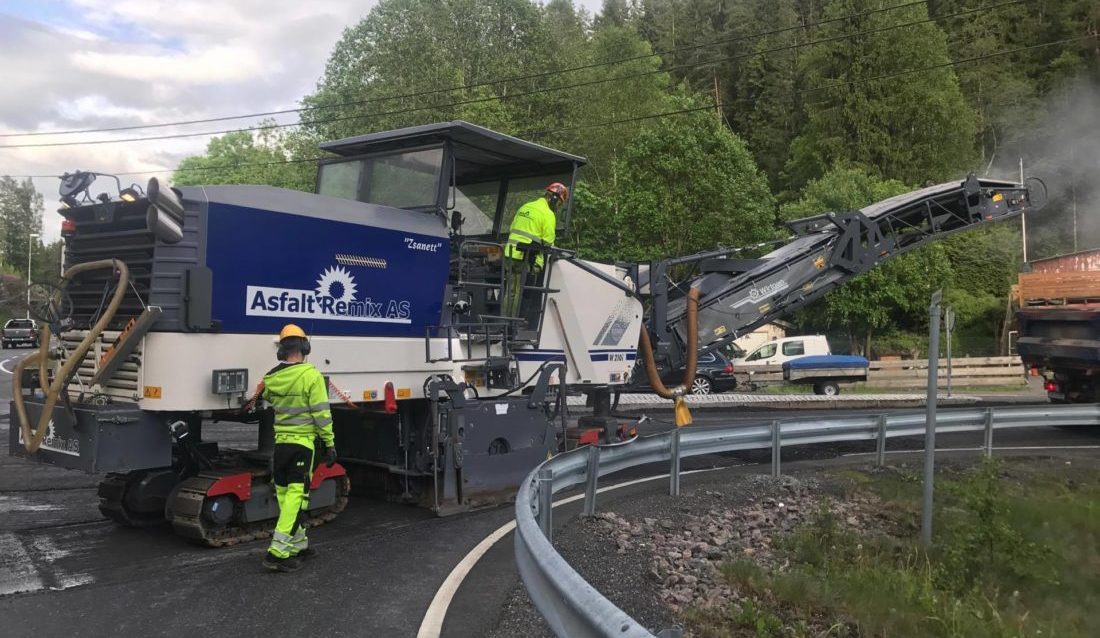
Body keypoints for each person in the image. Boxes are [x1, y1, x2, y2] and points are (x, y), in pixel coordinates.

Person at [261, 323, 337, 573]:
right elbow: (322, 414)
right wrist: (329, 443)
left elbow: (268, 398)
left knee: (286, 497)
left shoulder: (271, 378)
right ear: (305, 347)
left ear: (281, 350)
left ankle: (298, 545)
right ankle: (277, 553)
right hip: (302, 445)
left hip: (281, 445)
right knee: (297, 497)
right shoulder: (311, 376)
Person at [503, 182, 569, 319]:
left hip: (509, 255)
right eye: (559, 203)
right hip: (526, 259)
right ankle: (512, 325)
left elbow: (512, 229)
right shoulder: (548, 214)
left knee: (510, 292)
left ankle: (503, 322)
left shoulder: (525, 207)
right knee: (521, 293)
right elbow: (548, 242)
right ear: (554, 198)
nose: (558, 206)